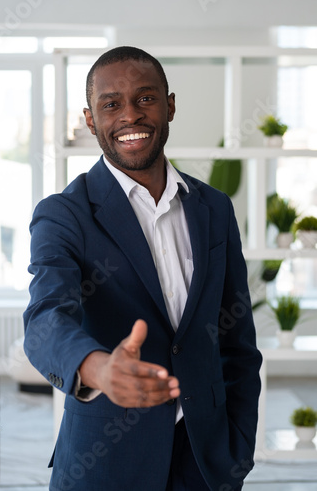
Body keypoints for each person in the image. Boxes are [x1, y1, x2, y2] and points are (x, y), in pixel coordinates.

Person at [23, 45, 262, 491]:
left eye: (145, 98)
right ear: (91, 120)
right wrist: (97, 368)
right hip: (105, 463)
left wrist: (237, 451)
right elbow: (44, 319)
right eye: (111, 104)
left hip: (207, 462)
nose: (130, 116)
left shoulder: (214, 207)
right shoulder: (63, 214)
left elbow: (238, 342)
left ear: (169, 105)